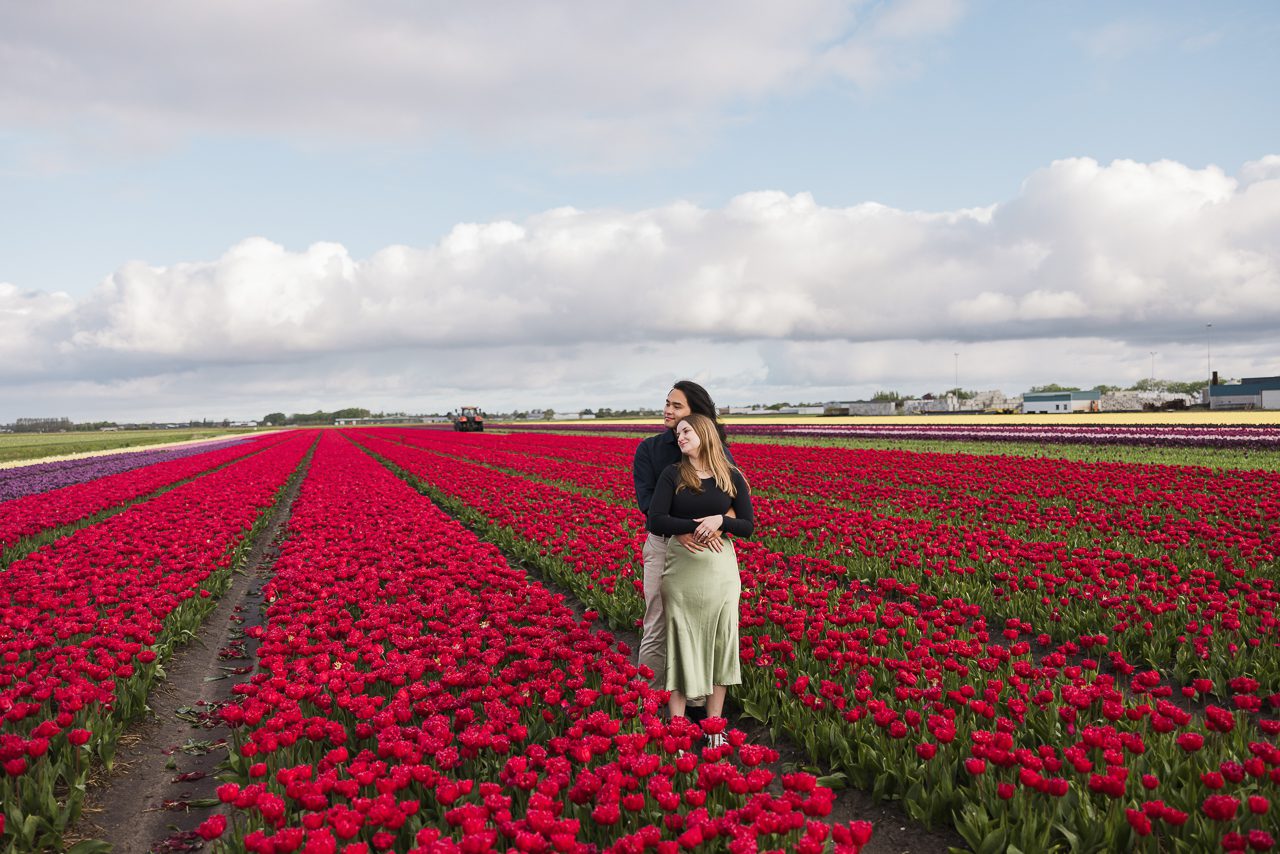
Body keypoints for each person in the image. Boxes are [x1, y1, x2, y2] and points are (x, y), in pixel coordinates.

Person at [647, 413, 753, 740]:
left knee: (721, 643)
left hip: (720, 573)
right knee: (681, 644)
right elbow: (656, 520)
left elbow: (747, 526)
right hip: (682, 572)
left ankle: (714, 728)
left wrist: (720, 520)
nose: (680, 437)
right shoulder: (673, 474)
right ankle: (677, 729)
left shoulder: (731, 476)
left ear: (705, 433)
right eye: (678, 433)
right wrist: (693, 525)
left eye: (686, 431)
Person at [633, 381, 733, 696]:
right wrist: (682, 527)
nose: (667, 410)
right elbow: (648, 505)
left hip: (706, 551)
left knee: (702, 627)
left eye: (677, 406)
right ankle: (648, 700)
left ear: (696, 413)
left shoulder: (717, 449)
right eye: (667, 403)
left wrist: (721, 522)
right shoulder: (650, 449)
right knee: (659, 624)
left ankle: (694, 703)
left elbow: (734, 498)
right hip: (665, 546)